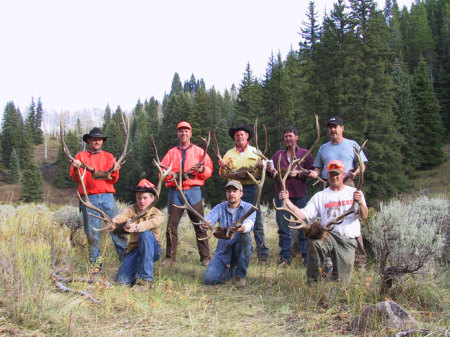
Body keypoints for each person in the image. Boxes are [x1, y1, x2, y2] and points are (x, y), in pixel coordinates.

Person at [279, 160, 368, 284]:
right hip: (329, 236)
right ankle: (313, 282)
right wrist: (287, 201)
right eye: (331, 174)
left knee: (342, 283)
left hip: (347, 240)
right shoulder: (320, 196)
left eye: (337, 174)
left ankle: (329, 269)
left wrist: (360, 203)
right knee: (314, 243)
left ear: (343, 174)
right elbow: (304, 214)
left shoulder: (354, 193)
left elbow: (364, 216)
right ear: (327, 175)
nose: (334, 177)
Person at [309, 116, 368, 270]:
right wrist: (315, 173)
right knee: (329, 220)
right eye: (330, 127)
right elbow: (317, 167)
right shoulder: (323, 148)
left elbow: (362, 166)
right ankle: (329, 256)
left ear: (343, 128)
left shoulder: (352, 145)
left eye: (335, 127)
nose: (332, 130)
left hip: (347, 183)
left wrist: (356, 171)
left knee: (352, 220)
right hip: (328, 185)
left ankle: (360, 259)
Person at [70, 127, 128, 274]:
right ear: (88, 140)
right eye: (94, 139)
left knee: (117, 228)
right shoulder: (80, 157)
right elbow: (75, 177)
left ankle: (126, 261)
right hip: (89, 198)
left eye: (99, 139)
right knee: (91, 232)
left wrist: (115, 169)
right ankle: (96, 264)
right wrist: (77, 168)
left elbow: (114, 178)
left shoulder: (109, 157)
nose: (96, 141)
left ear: (102, 141)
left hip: (107, 197)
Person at [160, 121, 212, 267]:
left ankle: (205, 257)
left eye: (186, 131)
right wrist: (173, 176)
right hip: (175, 191)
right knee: (171, 227)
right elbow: (162, 173)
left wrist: (202, 170)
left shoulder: (200, 151)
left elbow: (209, 170)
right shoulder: (171, 153)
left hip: (193, 191)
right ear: (178, 134)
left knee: (200, 225)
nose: (183, 133)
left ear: (190, 133)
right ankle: (170, 257)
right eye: (180, 131)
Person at [217, 122, 269, 264]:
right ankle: (232, 250)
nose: (239, 136)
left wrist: (262, 165)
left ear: (247, 136)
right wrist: (222, 167)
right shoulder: (228, 154)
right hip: (234, 190)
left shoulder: (256, 152)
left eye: (242, 134)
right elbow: (222, 173)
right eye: (237, 135)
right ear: (234, 138)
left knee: (256, 220)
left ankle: (262, 254)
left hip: (251, 189)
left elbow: (266, 168)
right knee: (233, 221)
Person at [267, 126, 315, 265]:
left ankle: (306, 257)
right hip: (282, 197)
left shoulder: (305, 154)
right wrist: (270, 170)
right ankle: (285, 258)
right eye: (286, 136)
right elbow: (272, 174)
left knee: (303, 227)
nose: (288, 138)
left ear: (297, 137)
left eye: (290, 136)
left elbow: (311, 172)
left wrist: (298, 174)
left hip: (299, 196)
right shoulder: (277, 155)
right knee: (283, 229)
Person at [111, 179, 164, 291]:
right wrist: (115, 221)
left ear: (153, 198)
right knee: (121, 282)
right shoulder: (132, 209)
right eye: (139, 198)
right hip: (135, 250)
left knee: (144, 233)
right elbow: (123, 216)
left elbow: (150, 223)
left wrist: (135, 227)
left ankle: (146, 280)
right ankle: (137, 274)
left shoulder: (158, 214)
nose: (141, 201)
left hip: (153, 250)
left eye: (145, 198)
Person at [203, 180, 256, 288]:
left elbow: (249, 223)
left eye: (234, 191)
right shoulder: (220, 207)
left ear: (241, 193)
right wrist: (205, 223)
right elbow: (208, 218)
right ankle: (230, 271)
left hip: (239, 252)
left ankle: (240, 275)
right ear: (226, 194)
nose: (231, 193)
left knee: (245, 235)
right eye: (228, 191)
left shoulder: (249, 208)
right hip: (223, 252)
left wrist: (242, 228)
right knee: (209, 279)